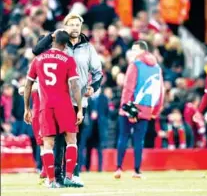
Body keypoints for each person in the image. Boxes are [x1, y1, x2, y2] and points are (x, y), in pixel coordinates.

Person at [32, 13, 102, 186]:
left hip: (79, 101)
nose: (75, 28)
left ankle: (73, 174)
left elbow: (98, 72)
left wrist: (94, 87)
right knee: (56, 141)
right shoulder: (56, 43)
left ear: (81, 26)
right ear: (65, 26)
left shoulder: (88, 47)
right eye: (71, 24)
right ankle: (56, 176)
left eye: (78, 24)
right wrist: (52, 35)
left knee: (75, 139)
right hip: (58, 99)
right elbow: (36, 51)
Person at [23, 30, 83, 188]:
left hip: (46, 105)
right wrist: (80, 108)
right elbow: (75, 85)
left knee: (47, 144)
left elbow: (28, 85)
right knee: (71, 140)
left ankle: (51, 181)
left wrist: (26, 108)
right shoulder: (68, 59)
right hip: (64, 105)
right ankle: (69, 176)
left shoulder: (38, 59)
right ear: (65, 45)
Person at [114, 40, 165, 179]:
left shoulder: (135, 65)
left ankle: (119, 168)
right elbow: (160, 90)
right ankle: (137, 171)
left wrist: (126, 108)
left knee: (123, 136)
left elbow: (128, 87)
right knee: (139, 140)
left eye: (134, 50)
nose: (132, 52)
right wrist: (156, 110)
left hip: (131, 106)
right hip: (147, 108)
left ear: (141, 50)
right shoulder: (157, 68)